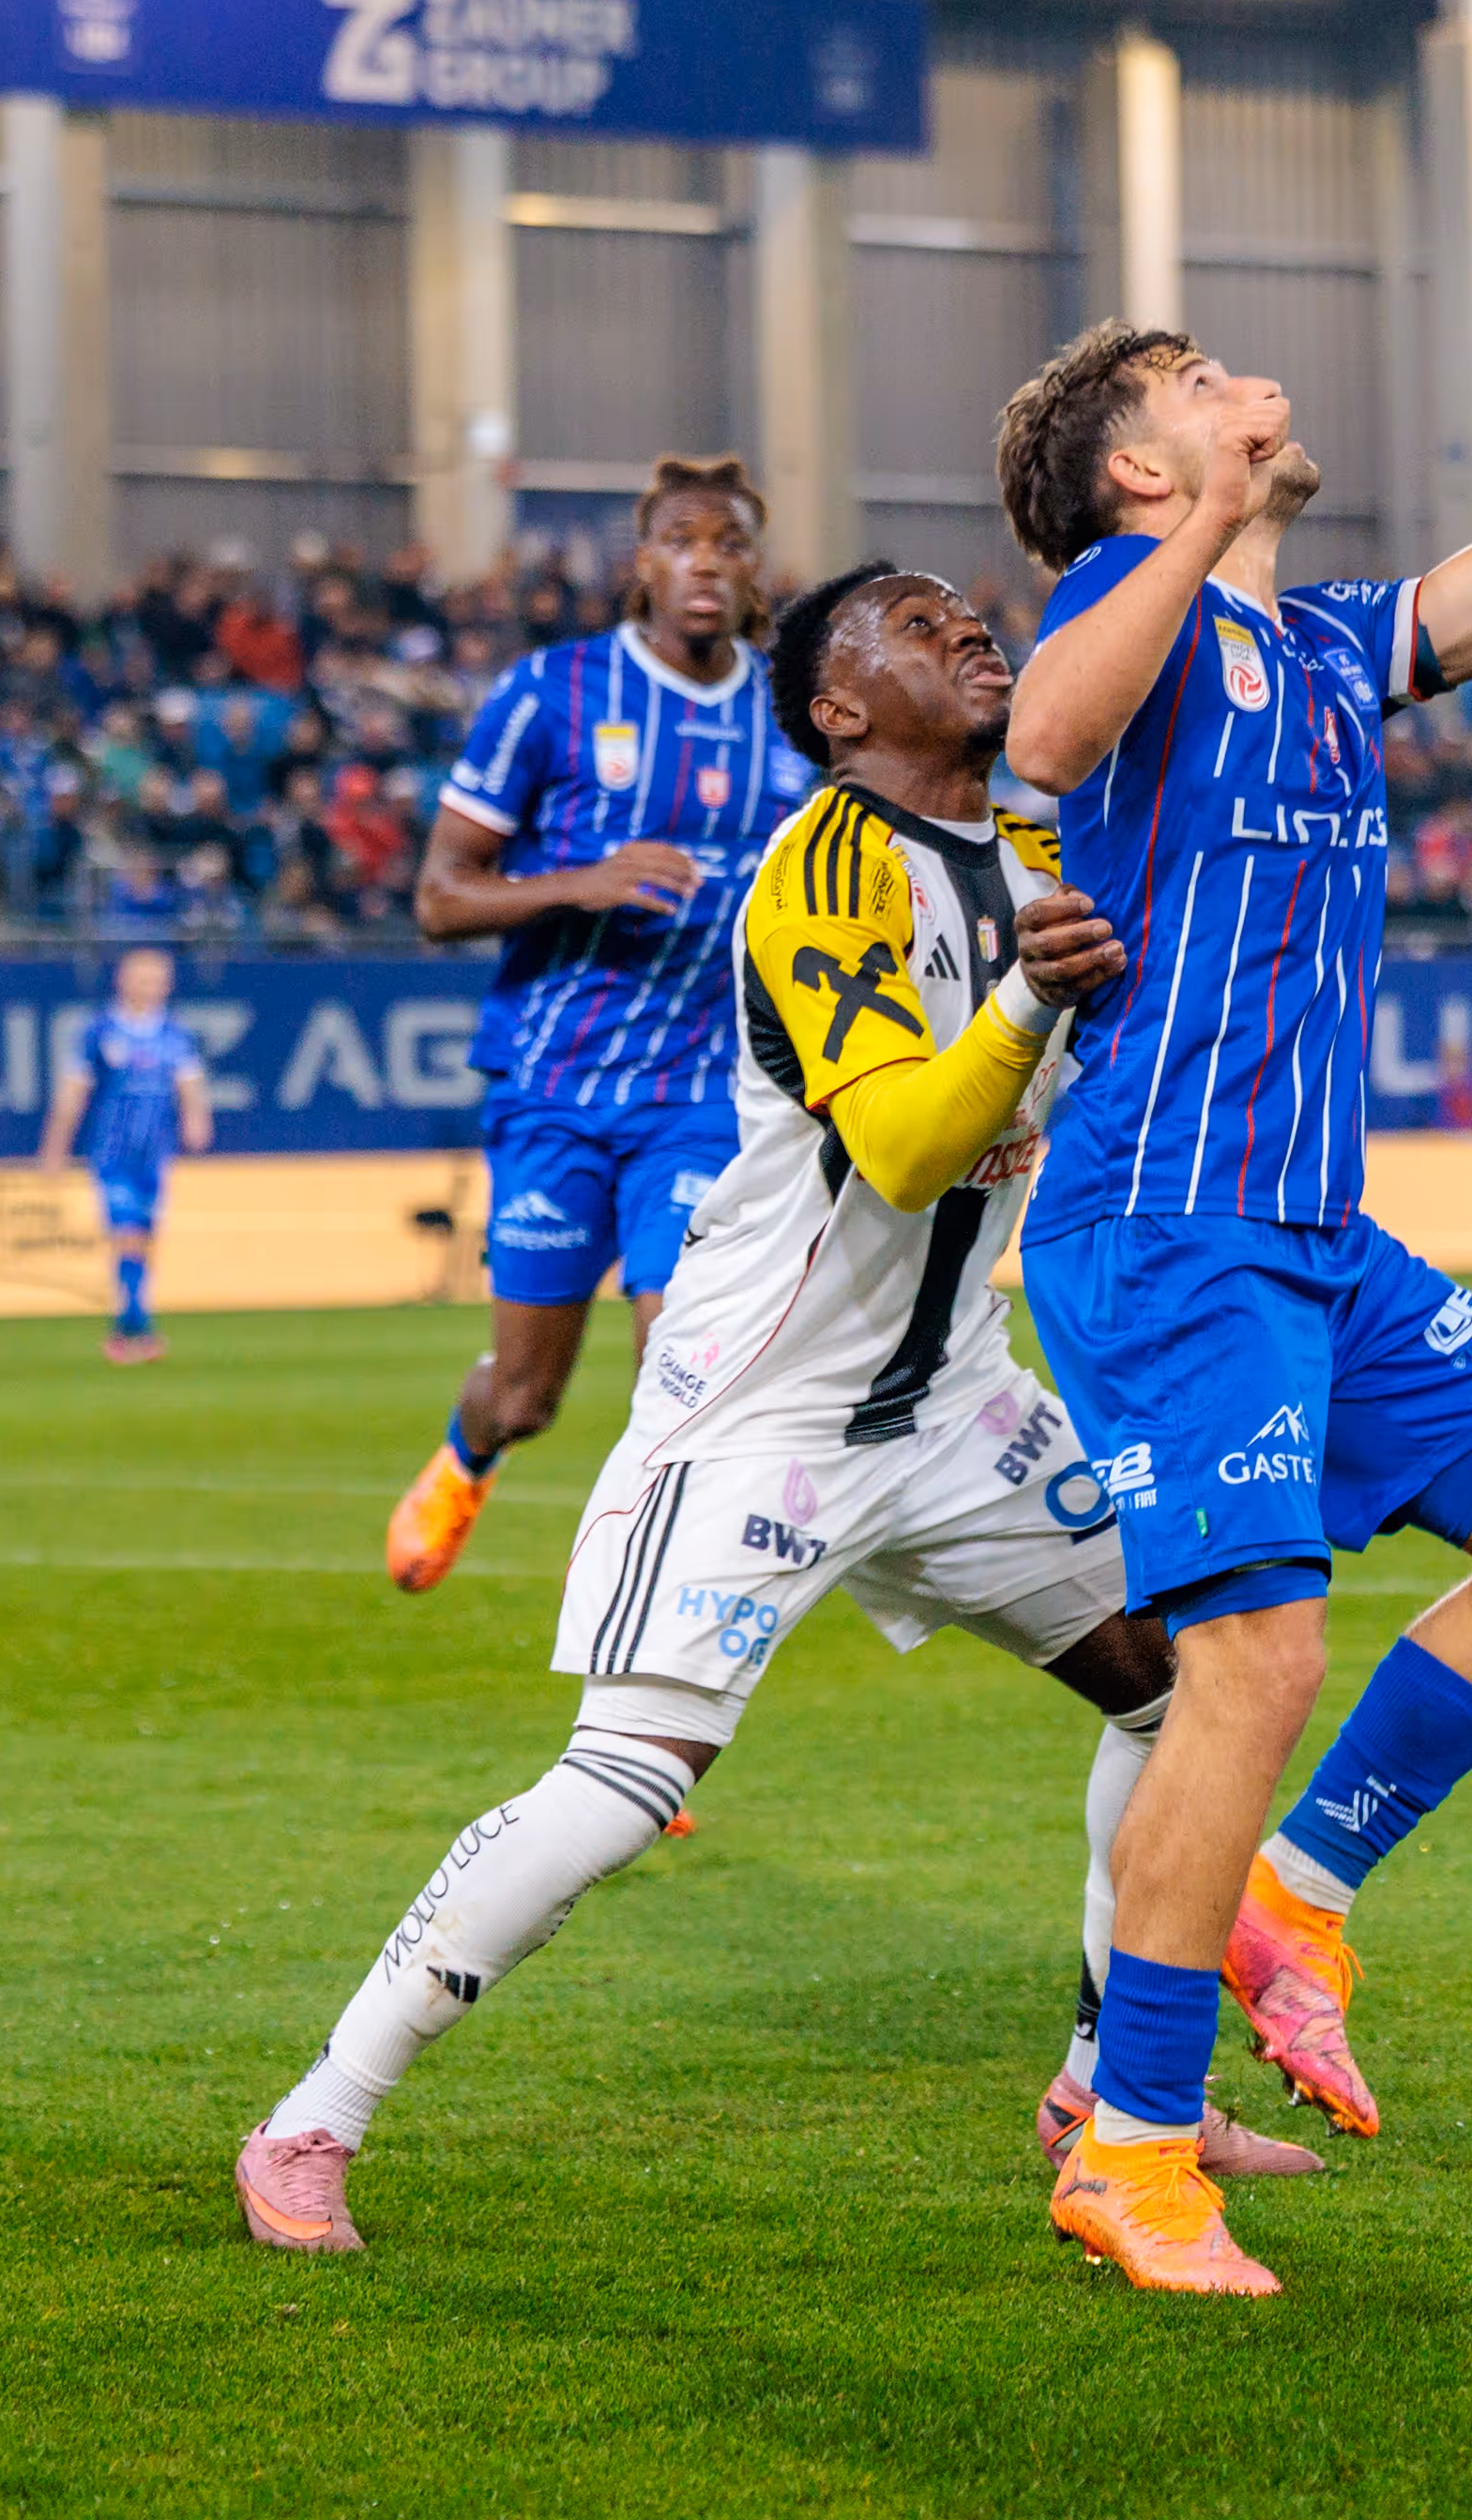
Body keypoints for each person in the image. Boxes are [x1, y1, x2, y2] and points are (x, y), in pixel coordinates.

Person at [239, 563, 1312, 2258]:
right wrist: (1034, 996)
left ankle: (1109, 2097)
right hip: (766, 1409)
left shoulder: (1037, 847)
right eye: (915, 624)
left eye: (967, 610)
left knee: (1190, 1690)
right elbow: (903, 1149)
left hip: (958, 1400)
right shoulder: (819, 871)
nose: (968, 628)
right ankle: (314, 2118)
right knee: (624, 1780)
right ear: (837, 708)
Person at [982, 108, 1472, 2300]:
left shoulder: (1334, 644)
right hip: (1164, 1219)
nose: (1244, 381)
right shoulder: (1130, 611)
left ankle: (1298, 1894)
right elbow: (1043, 739)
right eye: (1198, 382)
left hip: (1309, 1228)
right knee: (1253, 1656)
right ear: (1138, 466)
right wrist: (1198, 521)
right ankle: (1132, 2143)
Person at [381, 458, 811, 1593]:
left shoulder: (794, 712)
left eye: (730, 543)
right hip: (555, 1087)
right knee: (528, 1395)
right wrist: (582, 883)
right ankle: (468, 1452)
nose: (706, 562)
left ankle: (657, 1594)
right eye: (682, 541)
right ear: (643, 564)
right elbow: (439, 898)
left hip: (707, 1093)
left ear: (755, 570)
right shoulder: (553, 693)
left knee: (683, 1360)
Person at [41, 944, 207, 1363]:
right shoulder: (99, 1032)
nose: (150, 988)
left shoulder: (175, 1034)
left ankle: (127, 1325)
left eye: (158, 981)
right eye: (142, 979)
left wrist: (196, 1120)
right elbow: (74, 1093)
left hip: (156, 1154)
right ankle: (138, 1328)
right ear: (123, 981)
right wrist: (55, 1147)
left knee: (145, 1238)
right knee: (127, 1233)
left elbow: (189, 1085)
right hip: (112, 1154)